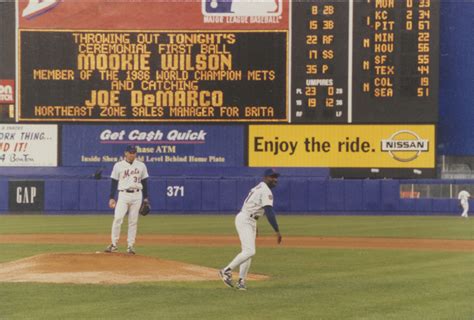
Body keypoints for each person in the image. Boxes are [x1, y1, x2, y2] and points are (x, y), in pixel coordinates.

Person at [219, 169, 282, 290]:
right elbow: (269, 212)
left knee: (247, 252)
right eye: (272, 177)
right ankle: (226, 271)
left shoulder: (258, 187)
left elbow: (251, 205)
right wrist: (277, 230)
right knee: (250, 251)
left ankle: (241, 281)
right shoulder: (265, 191)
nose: (275, 179)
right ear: (265, 178)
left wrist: (255, 224)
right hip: (246, 220)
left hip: (249, 219)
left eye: (276, 177)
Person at [104, 145, 149, 254]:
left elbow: (145, 182)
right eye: (130, 152)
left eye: (134, 152)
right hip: (123, 195)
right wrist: (111, 197)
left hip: (137, 195)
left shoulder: (141, 165)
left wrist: (146, 198)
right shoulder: (118, 165)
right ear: (126, 153)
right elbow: (114, 182)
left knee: (133, 221)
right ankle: (114, 244)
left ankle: (130, 246)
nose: (132, 154)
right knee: (118, 218)